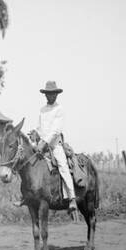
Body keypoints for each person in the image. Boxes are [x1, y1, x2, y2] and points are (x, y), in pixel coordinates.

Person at [33, 81, 78, 215]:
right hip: (42, 144)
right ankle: (29, 196)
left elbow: (55, 130)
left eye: (52, 94)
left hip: (54, 145)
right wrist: (35, 134)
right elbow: (39, 127)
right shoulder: (42, 110)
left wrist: (44, 143)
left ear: (56, 95)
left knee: (63, 166)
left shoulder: (59, 109)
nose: (50, 96)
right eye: (48, 94)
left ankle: (72, 197)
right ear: (45, 95)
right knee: (29, 163)